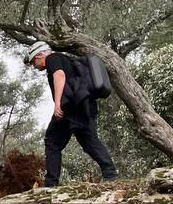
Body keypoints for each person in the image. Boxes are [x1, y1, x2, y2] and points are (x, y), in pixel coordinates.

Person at [24, 41, 118, 187]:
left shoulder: (52, 58)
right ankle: (110, 174)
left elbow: (59, 75)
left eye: (33, 61)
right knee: (88, 141)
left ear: (40, 54)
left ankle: (51, 184)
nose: (34, 66)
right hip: (83, 105)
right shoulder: (66, 59)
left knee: (53, 141)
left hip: (71, 107)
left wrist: (57, 104)